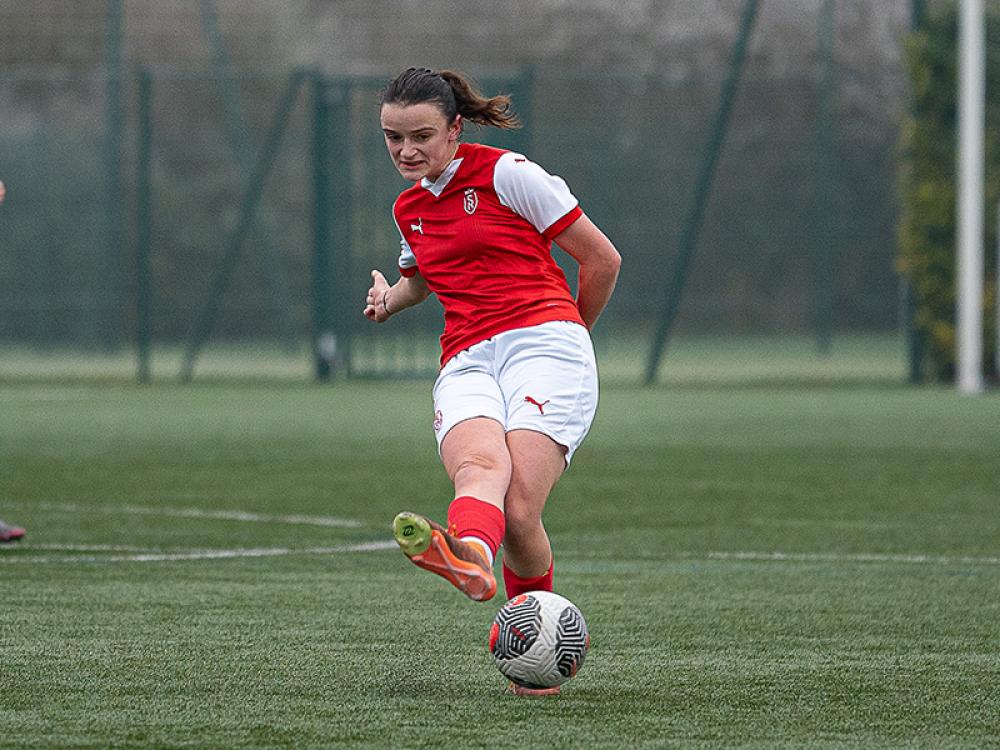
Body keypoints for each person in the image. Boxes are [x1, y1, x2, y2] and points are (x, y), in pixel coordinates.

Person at [365, 67, 620, 691]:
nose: (406, 150)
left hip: (544, 342)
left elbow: (601, 258)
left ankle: (533, 653)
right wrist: (389, 301)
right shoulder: (408, 207)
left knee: (518, 506)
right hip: (467, 357)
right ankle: (473, 560)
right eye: (392, 138)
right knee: (480, 469)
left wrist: (570, 335)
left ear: (456, 128)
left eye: (421, 135)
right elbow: (423, 278)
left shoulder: (509, 174)